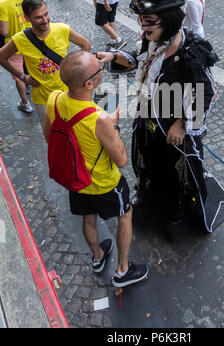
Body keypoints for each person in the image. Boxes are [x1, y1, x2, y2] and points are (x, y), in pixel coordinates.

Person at [95, 0, 224, 241]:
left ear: (168, 19)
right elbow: (138, 61)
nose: (143, 26)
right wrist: (113, 55)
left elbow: (207, 93)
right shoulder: (151, 40)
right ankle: (154, 199)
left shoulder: (189, 51)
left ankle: (175, 212)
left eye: (149, 21)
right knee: (151, 161)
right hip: (147, 118)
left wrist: (182, 124)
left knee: (176, 172)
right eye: (141, 20)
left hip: (175, 129)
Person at [44, 50, 148, 286]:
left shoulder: (55, 98)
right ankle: (122, 271)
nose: (103, 69)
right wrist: (114, 123)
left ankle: (98, 256)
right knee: (125, 215)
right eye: (99, 69)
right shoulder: (99, 119)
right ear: (89, 83)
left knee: (88, 219)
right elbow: (121, 159)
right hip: (104, 183)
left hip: (75, 179)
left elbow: (48, 136)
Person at [0, 0, 91, 129]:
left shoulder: (62, 29)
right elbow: (2, 56)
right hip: (43, 100)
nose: (45, 20)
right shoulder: (20, 39)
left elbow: (86, 45)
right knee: (53, 137)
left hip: (69, 93)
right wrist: (22, 76)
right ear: (27, 18)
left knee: (78, 133)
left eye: (46, 14)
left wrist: (78, 73)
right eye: (38, 17)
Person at [0, 0, 32, 113]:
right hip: (30, 41)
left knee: (19, 75)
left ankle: (25, 103)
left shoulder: (3, 4)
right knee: (32, 67)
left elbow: (4, 31)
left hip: (13, 46)